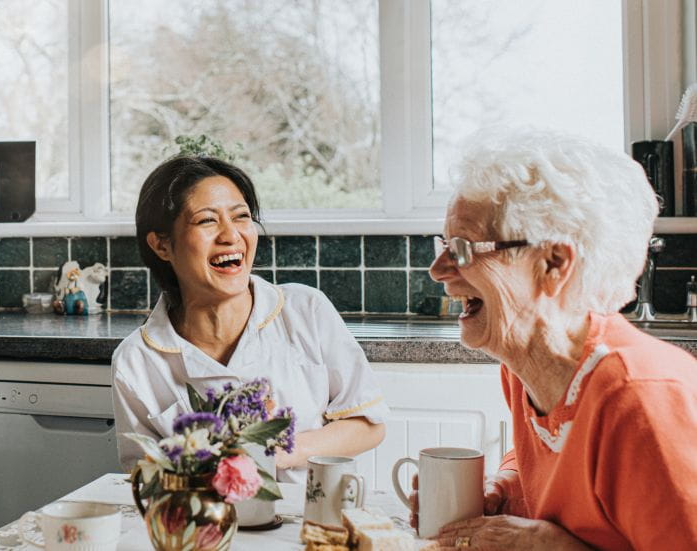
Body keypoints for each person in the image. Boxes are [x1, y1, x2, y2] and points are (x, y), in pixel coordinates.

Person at [420, 129, 697, 550]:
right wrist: (502, 492)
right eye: (444, 245)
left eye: (462, 248)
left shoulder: (640, 399)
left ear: (553, 263)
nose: (437, 270)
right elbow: (554, 467)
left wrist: (552, 547)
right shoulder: (524, 369)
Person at [111, 155, 388, 483]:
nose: (231, 235)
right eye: (207, 221)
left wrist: (282, 449)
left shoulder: (305, 310)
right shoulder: (136, 362)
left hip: (310, 521)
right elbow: (145, 476)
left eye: (242, 217)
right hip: (207, 527)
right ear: (162, 245)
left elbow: (369, 425)